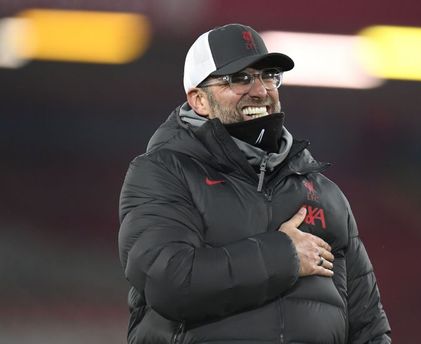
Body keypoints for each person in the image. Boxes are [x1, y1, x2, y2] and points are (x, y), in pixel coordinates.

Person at [118, 23, 391, 344]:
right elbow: (169, 283)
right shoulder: (164, 172)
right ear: (199, 100)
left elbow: (368, 327)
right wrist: (284, 256)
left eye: (268, 75)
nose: (260, 90)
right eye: (239, 78)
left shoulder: (325, 194)